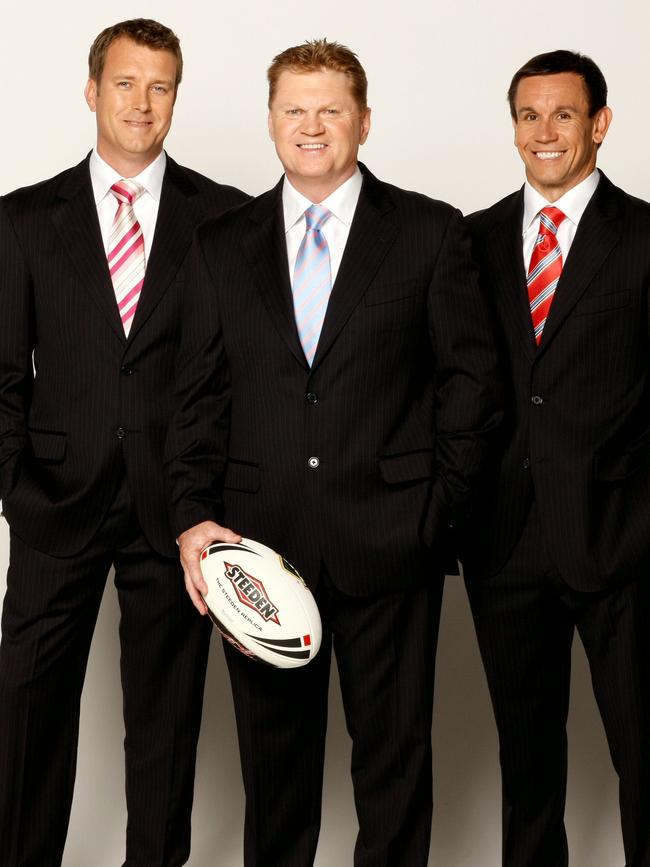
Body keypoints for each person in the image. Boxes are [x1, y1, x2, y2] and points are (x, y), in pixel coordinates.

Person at [167, 38, 502, 867]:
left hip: (393, 546)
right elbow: (197, 397)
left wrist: (436, 516)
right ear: (271, 121)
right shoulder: (221, 241)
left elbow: (473, 385)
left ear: (363, 121)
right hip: (260, 557)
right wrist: (193, 522)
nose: (311, 126)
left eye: (330, 110)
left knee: (393, 773)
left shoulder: (430, 232)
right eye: (294, 110)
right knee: (273, 783)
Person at [0, 18, 247, 867]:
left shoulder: (225, 220)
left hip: (174, 512)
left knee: (167, 725)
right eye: (126, 84)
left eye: (161, 86)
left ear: (177, 94)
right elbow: (2, 375)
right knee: (27, 717)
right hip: (53, 503)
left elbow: (235, 378)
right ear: (92, 90)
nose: (143, 103)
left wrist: (208, 503)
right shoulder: (24, 219)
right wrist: (18, 488)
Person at [462, 50, 650, 867]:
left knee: (644, 755)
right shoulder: (469, 241)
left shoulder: (643, 237)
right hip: (504, 541)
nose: (545, 132)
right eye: (530, 115)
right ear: (513, 128)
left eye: (564, 115)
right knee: (526, 761)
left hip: (621, 539)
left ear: (599, 124)